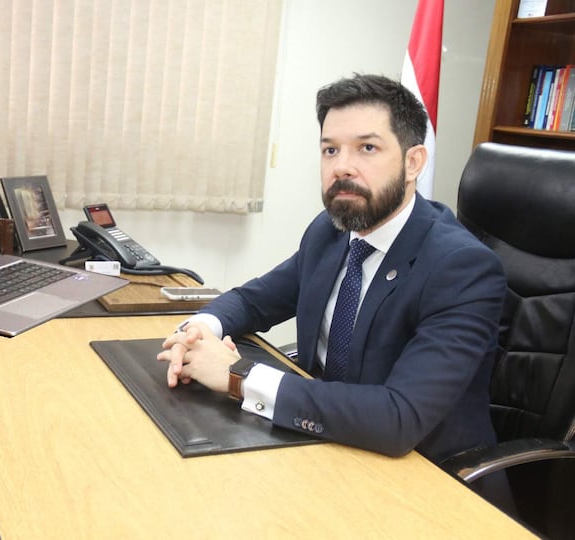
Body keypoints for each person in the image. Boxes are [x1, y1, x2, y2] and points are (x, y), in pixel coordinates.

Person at [158, 73, 507, 464]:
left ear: (413, 163)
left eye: (367, 148)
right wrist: (198, 333)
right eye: (330, 150)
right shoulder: (333, 230)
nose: (342, 167)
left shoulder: (462, 268)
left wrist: (239, 376)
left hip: (424, 473)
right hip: (321, 442)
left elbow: (399, 418)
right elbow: (254, 301)